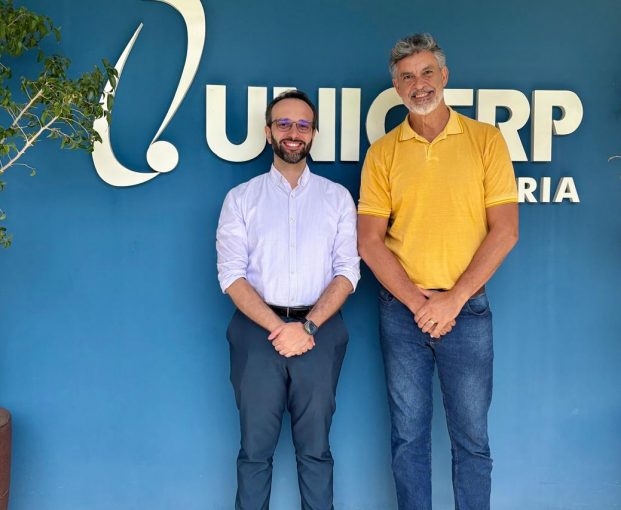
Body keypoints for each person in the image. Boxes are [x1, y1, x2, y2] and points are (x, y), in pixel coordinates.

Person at [357, 33, 519, 510]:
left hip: (466, 311)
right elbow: (369, 242)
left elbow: (505, 230)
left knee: (472, 440)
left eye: (427, 72)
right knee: (408, 439)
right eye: (407, 77)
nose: (419, 83)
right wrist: (419, 304)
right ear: (396, 87)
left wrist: (452, 300)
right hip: (402, 313)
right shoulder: (383, 153)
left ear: (444, 76)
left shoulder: (486, 141)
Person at [216, 89, 360, 510]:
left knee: (316, 451)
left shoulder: (336, 198)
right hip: (256, 334)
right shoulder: (241, 198)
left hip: (320, 332)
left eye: (302, 125)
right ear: (268, 132)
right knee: (254, 452)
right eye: (283, 124)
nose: (293, 132)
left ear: (313, 133)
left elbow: (347, 271)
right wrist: (280, 329)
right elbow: (231, 275)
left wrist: (307, 327)